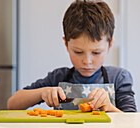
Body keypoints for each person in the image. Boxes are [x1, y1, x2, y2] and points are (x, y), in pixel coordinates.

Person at [7, 0, 137, 112]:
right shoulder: (58, 78)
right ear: (66, 44)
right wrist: (42, 93)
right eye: (78, 52)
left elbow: (132, 121)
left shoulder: (119, 78)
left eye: (96, 53)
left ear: (109, 46)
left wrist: (109, 107)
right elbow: (12, 104)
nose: (87, 61)